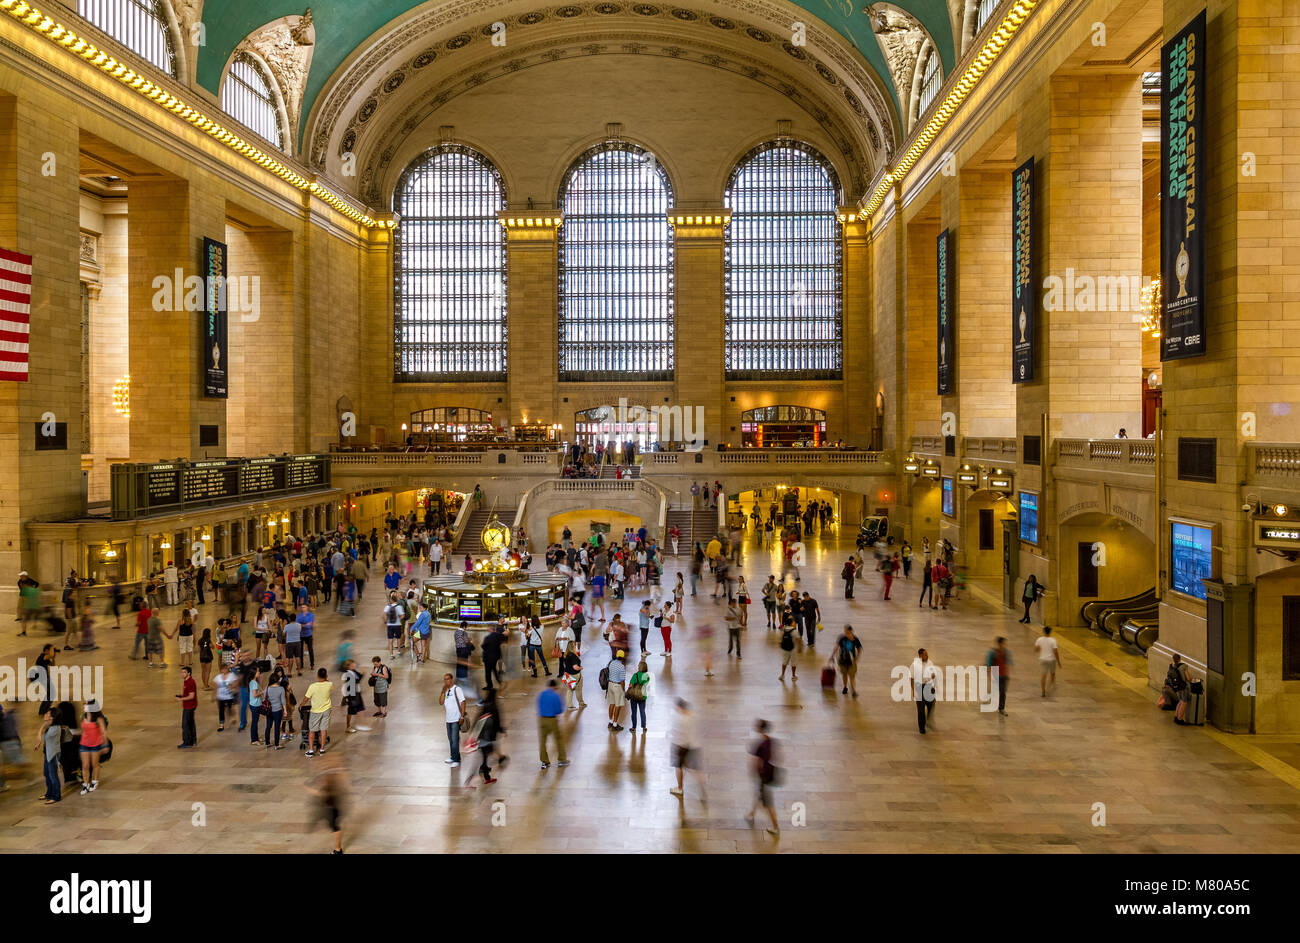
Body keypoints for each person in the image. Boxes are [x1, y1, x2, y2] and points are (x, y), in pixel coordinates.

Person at [746, 719, 779, 836]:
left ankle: (775, 827)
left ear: (760, 729)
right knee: (759, 794)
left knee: (768, 803)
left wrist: (753, 771)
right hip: (769, 773)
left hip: (763, 775)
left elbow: (757, 762)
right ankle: (751, 814)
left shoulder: (760, 744)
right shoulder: (771, 741)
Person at [466, 687, 505, 787]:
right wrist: (501, 730)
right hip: (488, 738)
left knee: (484, 758)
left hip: (481, 737)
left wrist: (472, 732)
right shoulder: (494, 707)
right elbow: (497, 722)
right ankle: (470, 780)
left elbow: (477, 718)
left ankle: (486, 776)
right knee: (481, 760)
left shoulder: (484, 705)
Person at [669, 698, 706, 801]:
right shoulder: (693, 716)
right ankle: (702, 787)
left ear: (679, 707)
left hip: (682, 746)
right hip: (695, 746)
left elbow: (676, 734)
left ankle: (680, 788)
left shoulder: (679, 719)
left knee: (679, 766)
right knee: (696, 770)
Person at [537, 678, 568, 770]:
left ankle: (544, 762)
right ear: (555, 687)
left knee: (542, 741)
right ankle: (561, 760)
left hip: (542, 719)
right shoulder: (556, 696)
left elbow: (538, 706)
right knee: (558, 739)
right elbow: (559, 710)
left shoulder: (541, 694)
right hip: (552, 720)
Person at [78, 702, 107, 796]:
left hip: (95, 744)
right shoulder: (83, 716)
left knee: (95, 764)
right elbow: (83, 730)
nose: (84, 705)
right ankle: (85, 784)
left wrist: (105, 745)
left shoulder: (98, 718)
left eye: (86, 704)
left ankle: (94, 781)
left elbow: (103, 732)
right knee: (85, 765)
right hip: (84, 744)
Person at [37, 707, 65, 803]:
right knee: (46, 774)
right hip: (48, 753)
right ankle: (49, 793)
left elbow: (43, 738)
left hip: (53, 755)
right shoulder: (50, 727)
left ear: (52, 717)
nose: (45, 714)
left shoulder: (55, 729)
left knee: (53, 775)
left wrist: (42, 727)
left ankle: (56, 796)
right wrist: (38, 744)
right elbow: (44, 739)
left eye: (48, 713)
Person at [304, 667, 334, 757]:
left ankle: (311, 750)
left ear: (317, 675)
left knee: (312, 731)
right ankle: (322, 749)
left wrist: (301, 704)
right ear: (326, 675)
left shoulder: (312, 686)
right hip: (326, 710)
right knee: (323, 730)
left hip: (315, 711)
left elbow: (306, 698)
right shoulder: (330, 684)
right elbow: (328, 683)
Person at [440, 673, 465, 768]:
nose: (446, 681)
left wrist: (462, 716)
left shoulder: (457, 689)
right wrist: (442, 692)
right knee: (450, 739)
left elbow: (463, 702)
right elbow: (441, 702)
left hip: (455, 719)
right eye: (444, 679)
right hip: (448, 719)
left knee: (455, 740)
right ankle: (453, 756)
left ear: (451, 679)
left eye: (447, 679)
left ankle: (456, 759)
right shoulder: (446, 691)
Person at [911, 648, 938, 733]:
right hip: (919, 687)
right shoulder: (914, 665)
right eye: (925, 654)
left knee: (931, 703)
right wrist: (914, 690)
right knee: (921, 709)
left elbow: (933, 674)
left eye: (927, 654)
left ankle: (928, 719)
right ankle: (921, 727)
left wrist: (933, 684)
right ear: (920, 655)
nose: (927, 655)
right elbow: (912, 678)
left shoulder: (930, 662)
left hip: (928, 686)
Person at [986, 637, 1012, 715]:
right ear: (999, 643)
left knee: (1003, 692)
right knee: (996, 690)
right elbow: (989, 664)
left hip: (1003, 674)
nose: (1004, 645)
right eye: (1003, 643)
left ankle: (1001, 708)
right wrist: (989, 675)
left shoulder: (1006, 652)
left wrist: (1008, 674)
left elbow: (1008, 663)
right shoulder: (993, 653)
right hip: (996, 674)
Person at [833, 625, 862, 697]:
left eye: (847, 632)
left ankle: (854, 691)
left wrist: (857, 658)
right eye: (845, 632)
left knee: (852, 676)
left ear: (851, 631)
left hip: (852, 661)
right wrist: (832, 656)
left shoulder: (855, 639)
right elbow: (837, 647)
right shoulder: (842, 638)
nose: (845, 633)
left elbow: (859, 649)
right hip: (842, 660)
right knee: (844, 675)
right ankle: (845, 687)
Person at [175, 666, 198, 748]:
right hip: (189, 705)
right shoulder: (187, 681)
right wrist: (182, 695)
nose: (182, 674)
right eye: (181, 672)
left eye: (184, 672)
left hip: (189, 706)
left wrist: (181, 699)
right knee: (191, 723)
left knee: (185, 725)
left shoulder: (190, 682)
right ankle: (193, 740)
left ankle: (187, 742)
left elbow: (192, 696)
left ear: (189, 673)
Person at [1034, 626, 1060, 696]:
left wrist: (1039, 648)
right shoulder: (1053, 640)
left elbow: (1036, 650)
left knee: (1043, 675)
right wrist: (1059, 662)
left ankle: (1043, 691)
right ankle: (1049, 688)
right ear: (1050, 632)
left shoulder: (1039, 639)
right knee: (1052, 674)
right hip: (1052, 660)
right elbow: (1055, 652)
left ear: (1043, 631)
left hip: (1043, 660)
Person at [626, 658, 651, 733]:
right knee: (642, 711)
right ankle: (644, 727)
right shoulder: (647, 676)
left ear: (640, 667)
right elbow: (647, 686)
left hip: (634, 696)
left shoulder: (635, 675)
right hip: (642, 696)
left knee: (634, 712)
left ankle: (633, 727)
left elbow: (630, 685)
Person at [605, 649, 627, 731]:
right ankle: (615, 724)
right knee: (618, 705)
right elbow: (622, 681)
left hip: (610, 685)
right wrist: (623, 691)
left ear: (617, 656)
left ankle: (610, 721)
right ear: (623, 657)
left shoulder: (611, 663)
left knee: (612, 704)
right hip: (617, 686)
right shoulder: (622, 667)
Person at [561, 641, 585, 709]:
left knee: (569, 690)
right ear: (573, 647)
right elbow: (575, 667)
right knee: (578, 690)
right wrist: (581, 668)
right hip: (575, 675)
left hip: (567, 674)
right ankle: (581, 704)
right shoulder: (573, 656)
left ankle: (569, 706)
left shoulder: (566, 655)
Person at [778, 617, 798, 682]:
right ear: (792, 623)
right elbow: (798, 639)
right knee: (793, 663)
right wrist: (800, 648)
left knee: (784, 662)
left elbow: (780, 628)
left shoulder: (784, 629)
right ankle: (793, 676)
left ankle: (782, 675)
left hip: (785, 648)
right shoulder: (794, 631)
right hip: (793, 649)